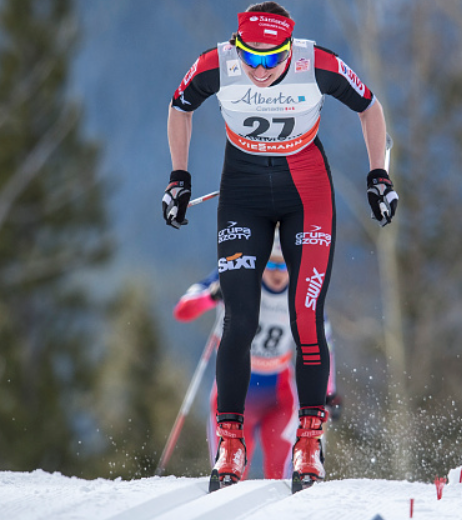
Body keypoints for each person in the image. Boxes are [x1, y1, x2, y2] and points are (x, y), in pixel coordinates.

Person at [161, 1, 397, 492]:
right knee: (240, 318)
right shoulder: (217, 64)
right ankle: (231, 440)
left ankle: (309, 440)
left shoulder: (317, 64)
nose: (260, 70)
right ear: (236, 45)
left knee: (305, 315)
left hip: (305, 197)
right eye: (251, 57)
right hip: (242, 196)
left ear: (291, 48)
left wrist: (379, 174)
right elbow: (179, 105)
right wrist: (179, 178)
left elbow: (369, 105)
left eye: (273, 60)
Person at [173, 233, 342, 480]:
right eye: (270, 263)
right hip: (233, 397)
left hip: (280, 398)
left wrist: (328, 393)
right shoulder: (237, 275)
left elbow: (323, 345)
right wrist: (211, 295)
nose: (276, 272)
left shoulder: (303, 291)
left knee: (282, 479)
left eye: (283, 265)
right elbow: (182, 311)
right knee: (229, 478)